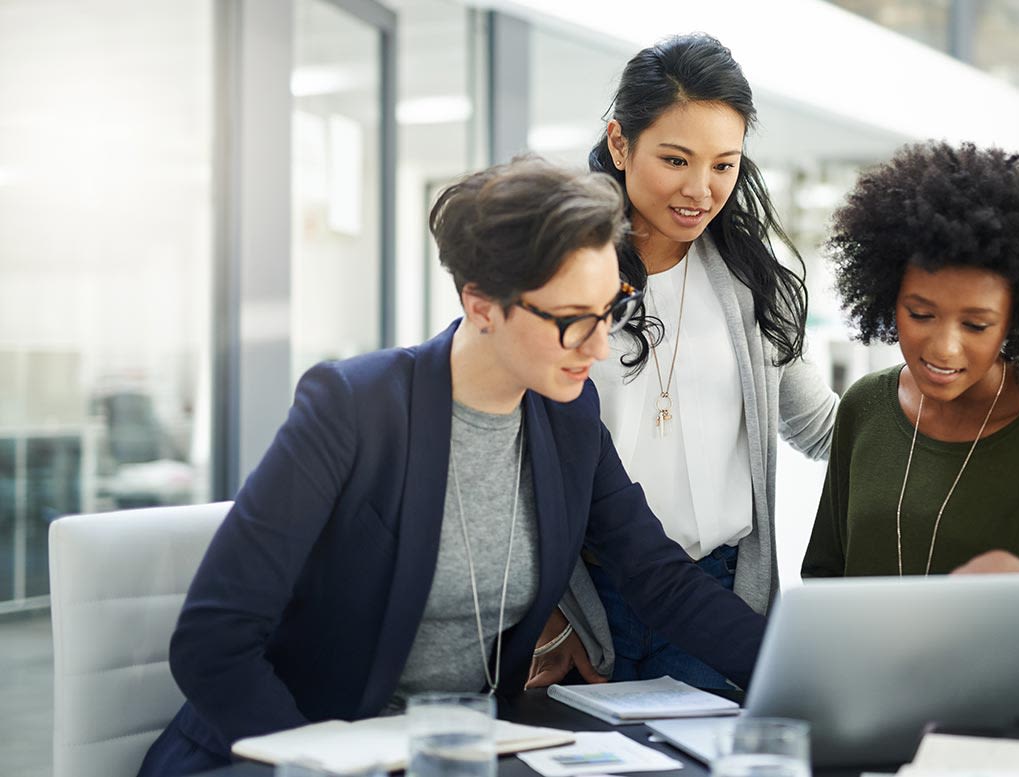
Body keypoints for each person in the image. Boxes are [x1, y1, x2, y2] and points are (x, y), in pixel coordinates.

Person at [137, 157, 767, 777]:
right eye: (574, 322)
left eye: (610, 313)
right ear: (483, 305)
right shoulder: (354, 408)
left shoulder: (566, 419)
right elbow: (213, 643)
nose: (600, 347)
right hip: (294, 753)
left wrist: (789, 667)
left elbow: (658, 577)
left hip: (456, 753)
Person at [526, 33, 837, 691]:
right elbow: (508, 453)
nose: (701, 189)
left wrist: (950, 405)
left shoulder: (752, 282)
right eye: (676, 159)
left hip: (716, 596)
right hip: (587, 600)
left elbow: (822, 426)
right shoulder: (557, 274)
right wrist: (550, 615)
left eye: (724, 165)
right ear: (619, 143)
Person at [801, 141, 1019, 714]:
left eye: (976, 323)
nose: (942, 347)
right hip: (866, 719)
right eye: (920, 314)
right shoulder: (864, 408)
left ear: (1017, 321)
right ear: (885, 296)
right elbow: (823, 587)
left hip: (1005, 738)